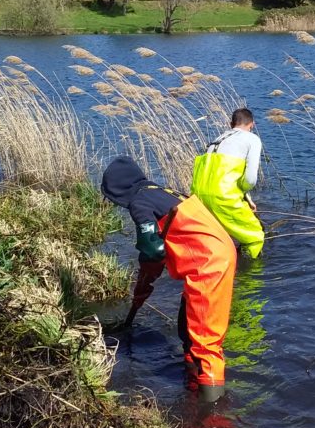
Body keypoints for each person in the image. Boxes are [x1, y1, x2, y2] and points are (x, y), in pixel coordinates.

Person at [101, 156, 237, 403]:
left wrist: (147, 260)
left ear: (117, 190)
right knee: (186, 330)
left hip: (208, 264)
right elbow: (157, 250)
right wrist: (145, 282)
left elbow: (154, 251)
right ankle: (193, 387)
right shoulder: (162, 192)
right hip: (217, 252)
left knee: (206, 343)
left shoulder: (139, 202)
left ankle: (213, 419)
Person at [191, 108, 265, 258]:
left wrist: (246, 198)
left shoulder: (217, 140)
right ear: (252, 125)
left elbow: (220, 176)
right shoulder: (252, 139)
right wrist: (243, 191)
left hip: (198, 197)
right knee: (255, 236)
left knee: (219, 235)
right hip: (223, 197)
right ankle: (249, 278)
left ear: (231, 124)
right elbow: (250, 179)